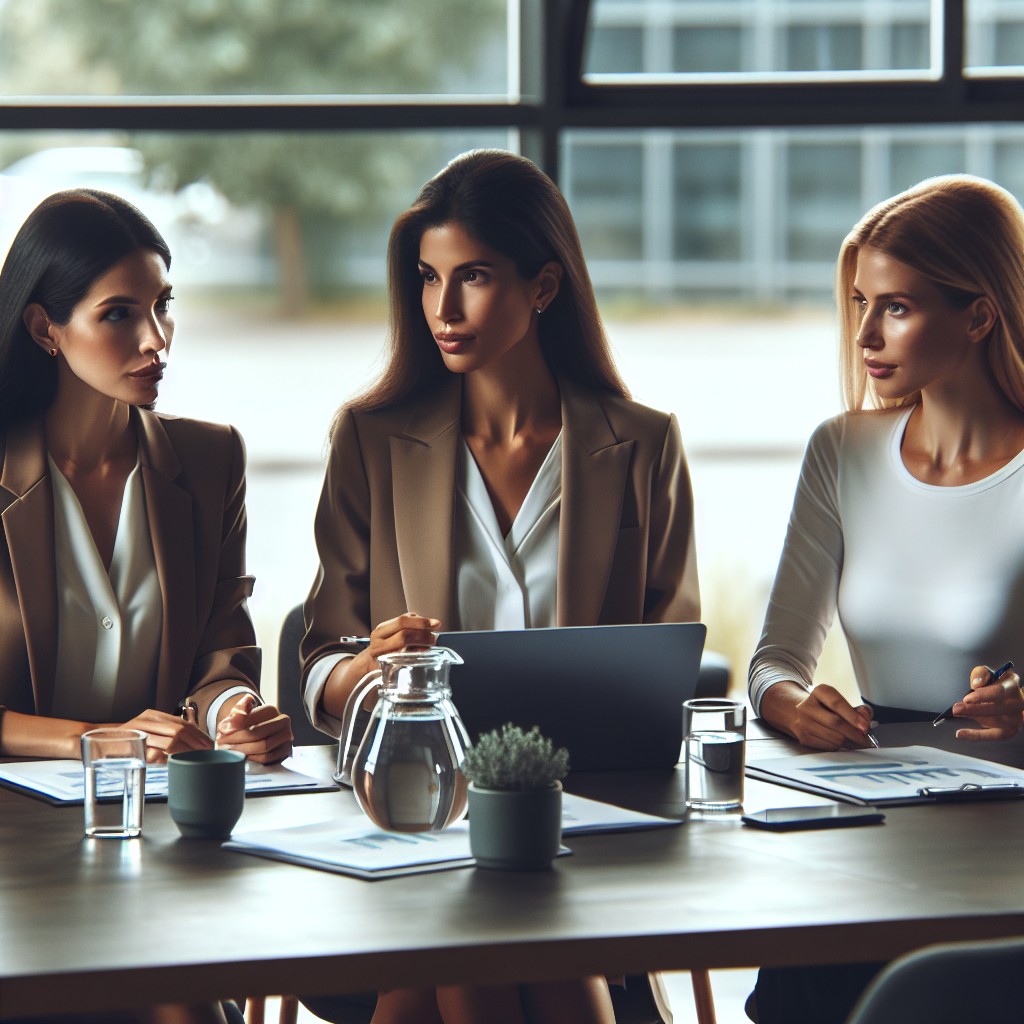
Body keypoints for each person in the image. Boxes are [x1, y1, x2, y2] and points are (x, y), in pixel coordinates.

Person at [300, 149, 700, 1024]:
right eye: (427, 278)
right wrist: (366, 667)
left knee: (466, 945)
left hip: (592, 814)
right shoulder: (371, 440)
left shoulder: (641, 445)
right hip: (416, 810)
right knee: (479, 934)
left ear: (544, 285)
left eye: (472, 277)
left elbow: (676, 653)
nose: (442, 308)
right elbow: (319, 657)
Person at [0, 189, 293, 1024]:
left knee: (179, 993)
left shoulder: (209, 461)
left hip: (161, 837)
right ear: (43, 329)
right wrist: (100, 740)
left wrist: (235, 708)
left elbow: (221, 651)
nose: (156, 340)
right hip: (15, 841)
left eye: (163, 307)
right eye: (120, 314)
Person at [746, 173, 1024, 1023]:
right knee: (807, 967)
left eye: (896, 307)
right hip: (873, 810)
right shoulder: (842, 451)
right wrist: (795, 708)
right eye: (861, 302)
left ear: (979, 315)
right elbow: (772, 662)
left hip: (1008, 832)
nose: (866, 333)